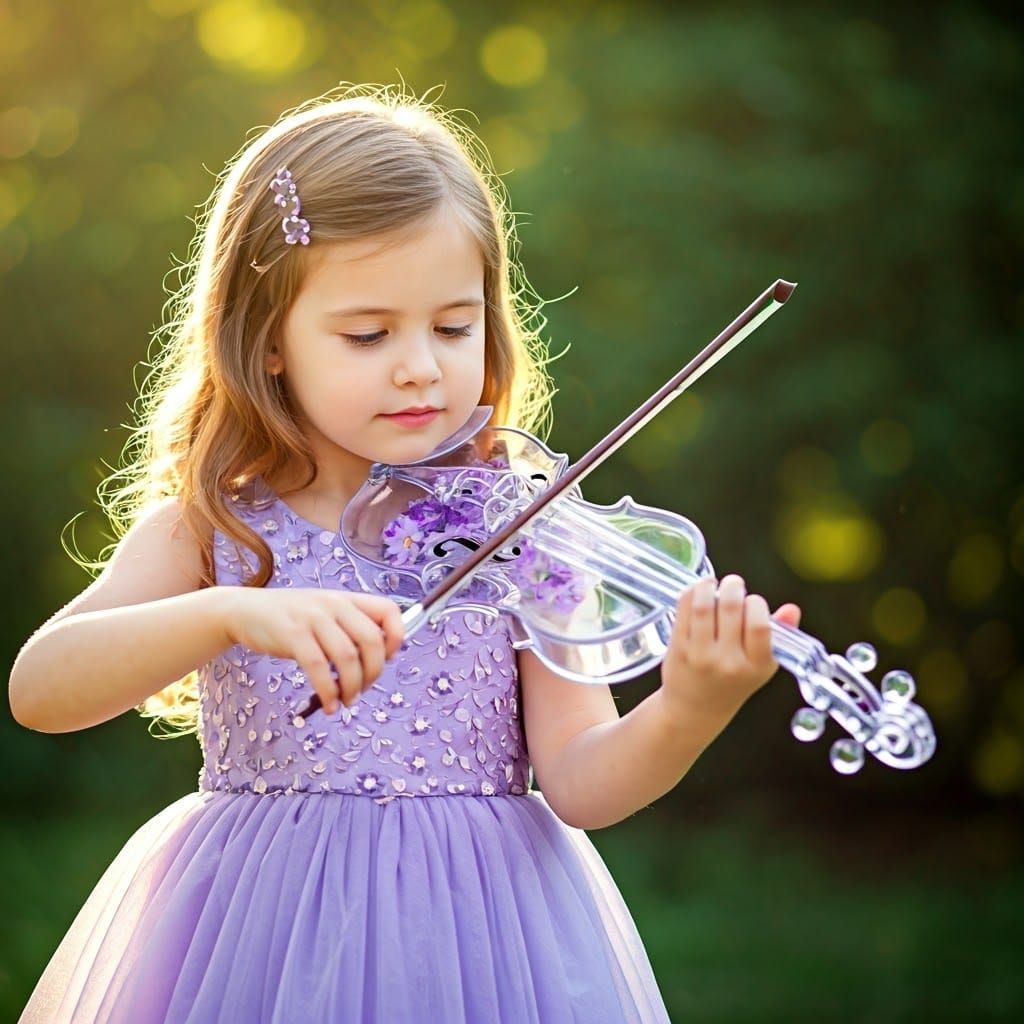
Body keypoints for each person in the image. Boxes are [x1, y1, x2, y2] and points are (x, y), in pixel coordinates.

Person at [9, 84, 801, 1023]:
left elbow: (585, 780)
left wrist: (689, 707)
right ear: (268, 343)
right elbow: (41, 689)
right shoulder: (218, 530)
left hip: (484, 942)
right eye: (368, 333)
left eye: (454, 325)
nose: (420, 364)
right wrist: (232, 612)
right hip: (255, 931)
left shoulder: (522, 525)